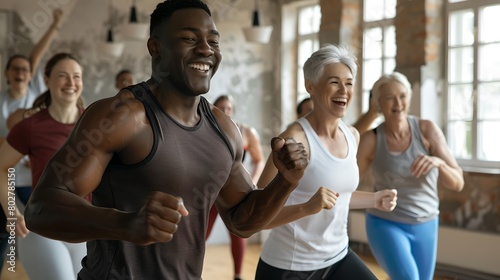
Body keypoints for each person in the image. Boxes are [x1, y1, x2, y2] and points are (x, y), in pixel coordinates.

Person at [23, 1, 308, 279]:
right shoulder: (120, 117)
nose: (205, 49)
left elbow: (241, 221)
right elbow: (40, 208)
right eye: (188, 38)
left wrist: (285, 182)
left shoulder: (225, 130)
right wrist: (125, 223)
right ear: (155, 47)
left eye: (213, 41)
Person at [254, 44, 398, 279]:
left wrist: (374, 199)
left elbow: (337, 197)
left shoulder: (352, 135)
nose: (344, 90)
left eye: (349, 83)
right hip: (289, 266)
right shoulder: (293, 141)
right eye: (334, 82)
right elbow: (255, 215)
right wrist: (306, 208)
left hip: (338, 257)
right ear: (310, 85)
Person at [357, 72, 464, 280]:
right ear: (378, 103)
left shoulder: (427, 130)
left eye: (403, 96)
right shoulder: (371, 139)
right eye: (389, 98)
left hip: (427, 222)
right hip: (385, 222)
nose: (398, 103)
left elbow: (458, 182)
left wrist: (439, 163)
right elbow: (347, 180)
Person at [0, 52, 87, 280]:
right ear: (46, 80)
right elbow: (1, 168)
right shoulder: (30, 127)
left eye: (76, 76)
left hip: (88, 229)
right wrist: (12, 213)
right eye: (62, 76)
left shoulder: (95, 123)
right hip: (43, 228)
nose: (71, 83)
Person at [0, 8, 62, 275]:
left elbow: (35, 55)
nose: (21, 72)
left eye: (25, 69)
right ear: (7, 73)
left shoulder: (36, 92)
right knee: (6, 230)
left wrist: (55, 24)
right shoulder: (2, 100)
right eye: (15, 68)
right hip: (7, 175)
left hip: (30, 177)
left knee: (37, 226)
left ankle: (41, 264)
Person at [207, 94, 265, 280]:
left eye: (229, 108)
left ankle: (238, 275)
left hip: (235, 193)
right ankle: (190, 271)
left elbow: (259, 160)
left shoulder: (246, 132)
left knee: (238, 234)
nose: (225, 111)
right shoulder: (205, 129)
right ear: (213, 109)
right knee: (199, 234)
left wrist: (253, 181)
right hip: (210, 192)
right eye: (221, 108)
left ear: (233, 110)